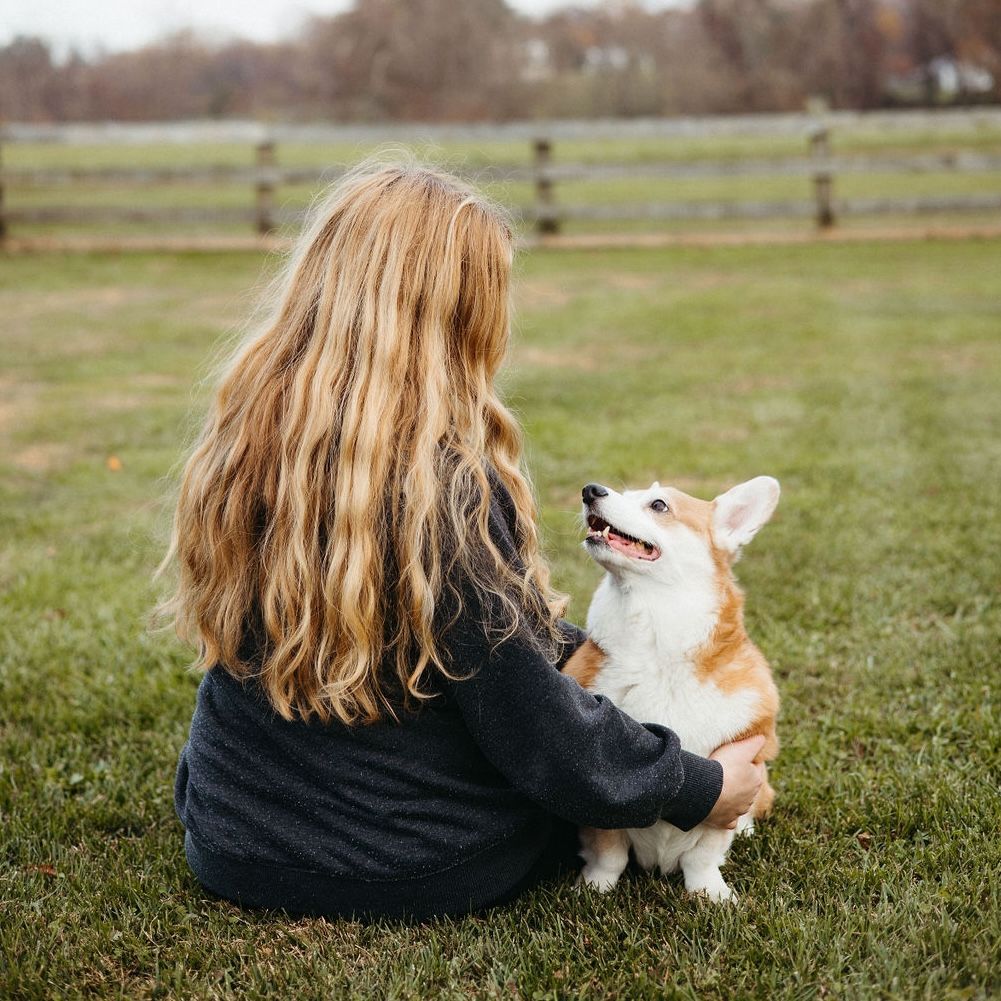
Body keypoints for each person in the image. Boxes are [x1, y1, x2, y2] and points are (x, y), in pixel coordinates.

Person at [159, 160, 765, 922]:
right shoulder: (446, 488)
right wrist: (699, 786)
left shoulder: (242, 437)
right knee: (536, 791)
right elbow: (535, 732)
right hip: (413, 863)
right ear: (458, 315)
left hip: (228, 837)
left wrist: (591, 650)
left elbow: (486, 645)